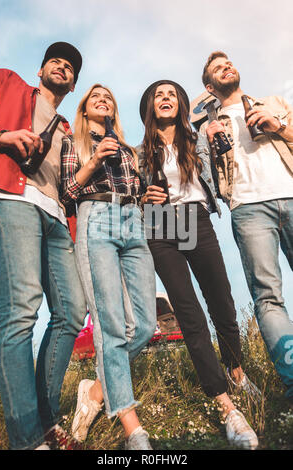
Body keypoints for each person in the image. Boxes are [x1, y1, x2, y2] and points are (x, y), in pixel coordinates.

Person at [136, 79, 259, 450]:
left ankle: (236, 372)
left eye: (171, 93)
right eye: (159, 95)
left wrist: (215, 121)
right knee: (189, 313)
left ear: (181, 104)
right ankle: (225, 405)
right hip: (159, 225)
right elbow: (131, 196)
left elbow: (224, 153)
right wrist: (143, 197)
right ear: (150, 107)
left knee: (221, 300)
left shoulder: (198, 139)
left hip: (194, 218)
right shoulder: (140, 151)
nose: (165, 98)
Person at [0, 42, 87, 450]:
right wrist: (2, 136)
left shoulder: (67, 127)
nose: (62, 67)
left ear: (72, 82)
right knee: (21, 310)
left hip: (57, 219)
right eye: (56, 61)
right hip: (13, 202)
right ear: (41, 70)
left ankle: (45, 418)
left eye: (69, 67)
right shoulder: (5, 82)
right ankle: (28, 440)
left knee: (71, 312)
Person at [60, 84, 157, 450]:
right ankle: (134, 429)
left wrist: (148, 197)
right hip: (95, 217)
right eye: (94, 98)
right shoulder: (74, 143)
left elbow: (141, 191)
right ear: (85, 110)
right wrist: (95, 159)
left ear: (114, 110)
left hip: (132, 219)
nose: (103, 100)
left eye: (109, 97)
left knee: (145, 325)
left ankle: (96, 391)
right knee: (109, 323)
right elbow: (67, 192)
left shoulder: (130, 151)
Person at [201, 51, 293, 404]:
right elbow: (203, 182)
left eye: (229, 63)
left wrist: (278, 124)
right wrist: (208, 145)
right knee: (268, 298)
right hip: (248, 208)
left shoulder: (273, 103)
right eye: (217, 69)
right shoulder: (209, 124)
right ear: (210, 85)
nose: (227, 67)